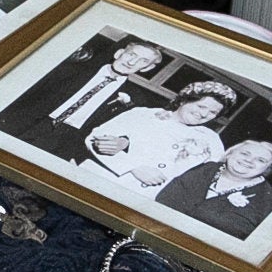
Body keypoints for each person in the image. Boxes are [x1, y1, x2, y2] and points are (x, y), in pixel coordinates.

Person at [83, 80, 239, 200]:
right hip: (101, 183)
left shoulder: (211, 139)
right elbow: (94, 139)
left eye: (213, 112)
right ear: (184, 100)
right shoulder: (143, 114)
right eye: (200, 106)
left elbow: (210, 177)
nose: (204, 114)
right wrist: (133, 167)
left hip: (145, 199)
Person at [156, 136, 272, 239]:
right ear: (229, 154)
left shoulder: (269, 202)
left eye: (260, 160)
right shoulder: (206, 169)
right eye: (245, 153)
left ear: (268, 169)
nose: (249, 160)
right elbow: (165, 198)